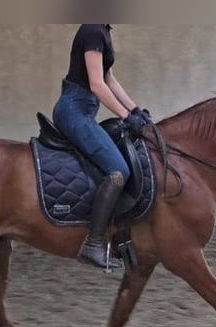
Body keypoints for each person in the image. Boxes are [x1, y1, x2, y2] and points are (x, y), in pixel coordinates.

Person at [52, 24, 152, 270]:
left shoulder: (103, 30)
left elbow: (109, 79)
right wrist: (126, 117)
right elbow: (97, 85)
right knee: (118, 171)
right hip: (74, 110)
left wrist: (135, 109)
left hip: (84, 109)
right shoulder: (93, 30)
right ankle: (93, 244)